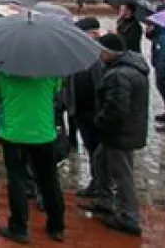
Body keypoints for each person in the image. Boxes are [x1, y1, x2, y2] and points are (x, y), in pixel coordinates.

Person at [0, 67, 65, 244]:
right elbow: (57, 88)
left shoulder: (0, 66)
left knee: (17, 180)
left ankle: (19, 227)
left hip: (14, 133)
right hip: (43, 131)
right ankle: (56, 226)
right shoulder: (49, 66)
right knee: (49, 180)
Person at [84, 34, 150, 236]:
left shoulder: (118, 75)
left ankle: (128, 216)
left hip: (120, 133)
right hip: (123, 131)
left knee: (122, 174)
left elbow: (117, 108)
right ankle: (104, 199)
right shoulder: (128, 68)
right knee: (100, 160)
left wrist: (100, 121)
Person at [69, 17, 104, 197]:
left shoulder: (99, 55)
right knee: (91, 149)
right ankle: (96, 183)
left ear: (93, 33)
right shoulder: (81, 51)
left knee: (98, 151)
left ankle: (102, 186)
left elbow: (100, 86)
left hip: (94, 112)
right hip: (81, 110)